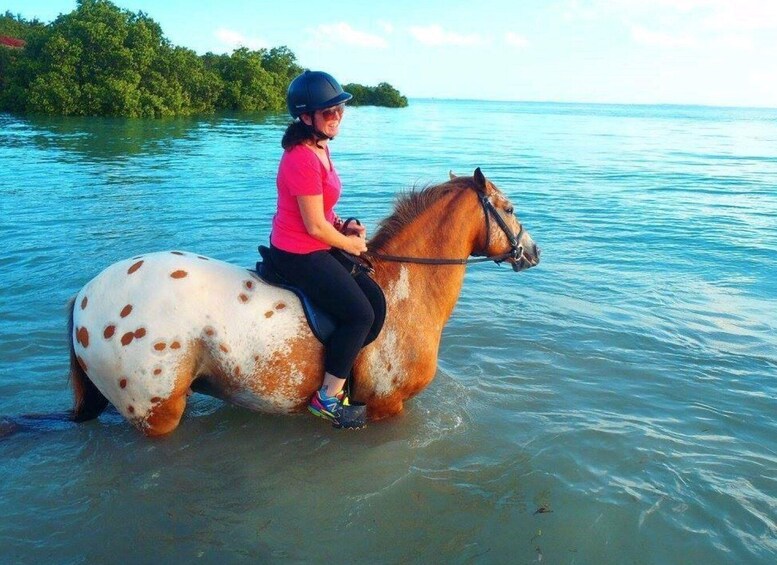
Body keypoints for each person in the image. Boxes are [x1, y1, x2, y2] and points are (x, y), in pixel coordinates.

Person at [268, 70, 375, 425]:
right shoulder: (301, 156)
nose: (338, 116)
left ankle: (340, 365)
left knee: (374, 300)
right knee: (360, 314)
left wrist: (343, 224)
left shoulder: (320, 147)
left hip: (316, 240)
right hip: (299, 250)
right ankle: (326, 398)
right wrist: (349, 243)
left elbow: (322, 210)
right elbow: (313, 225)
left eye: (341, 109)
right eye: (330, 112)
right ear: (306, 116)